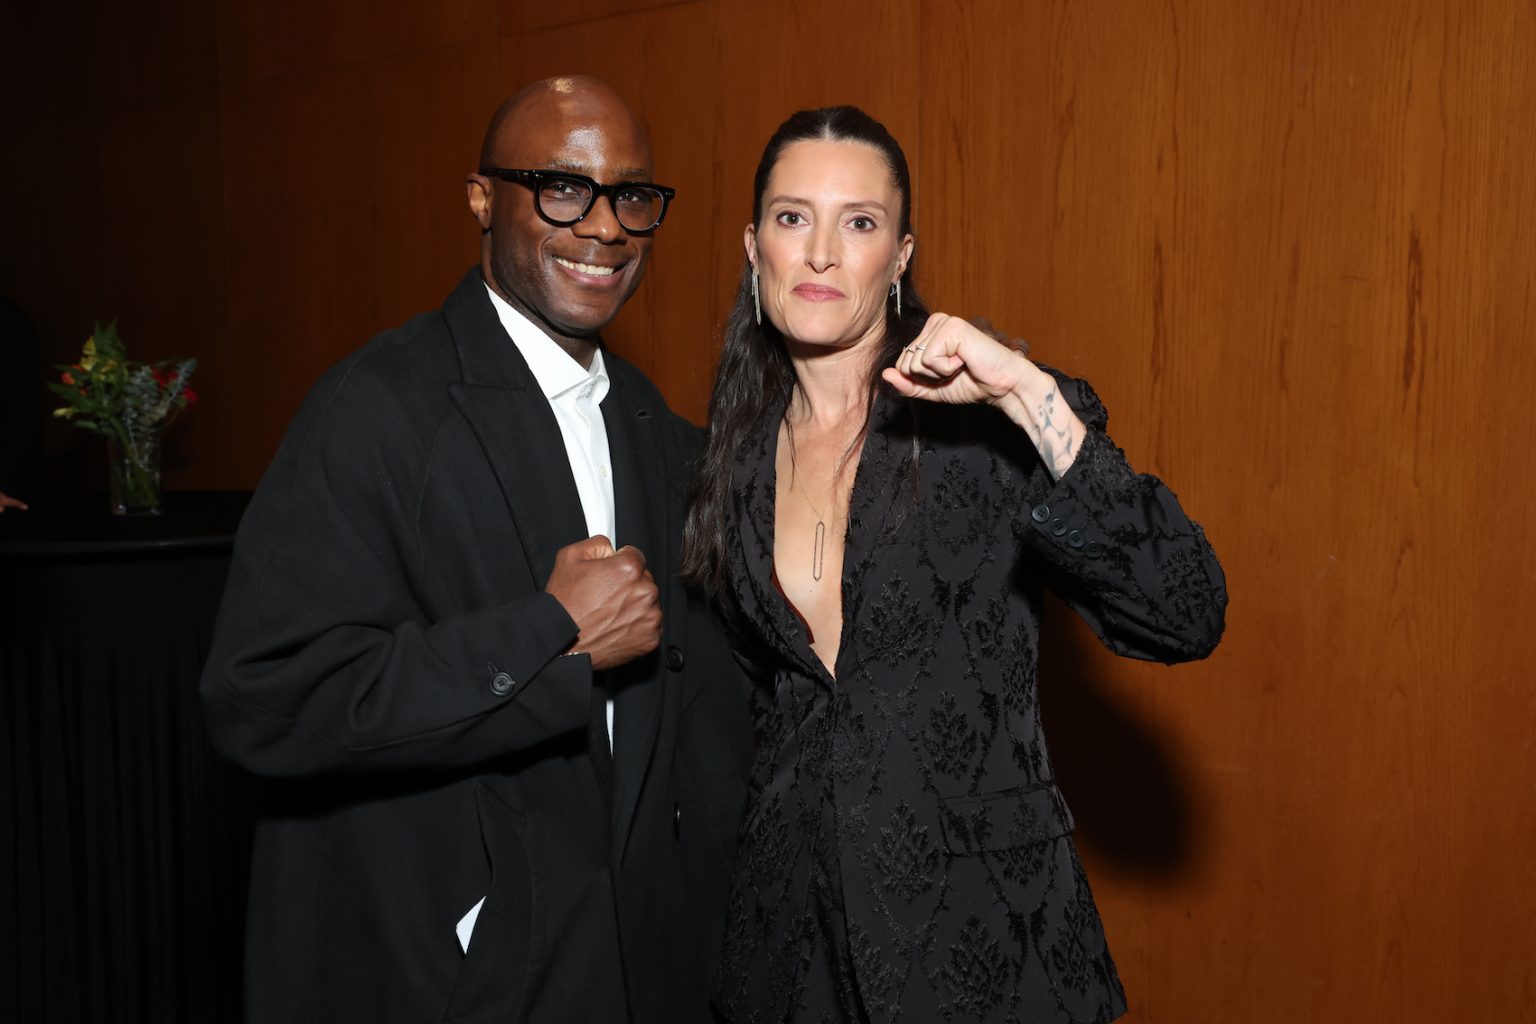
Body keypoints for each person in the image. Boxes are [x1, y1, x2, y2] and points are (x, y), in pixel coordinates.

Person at [201, 76, 750, 1023]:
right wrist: (549, 636)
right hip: (456, 985)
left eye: (631, 196)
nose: (605, 228)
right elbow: (265, 698)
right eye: (563, 189)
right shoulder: (373, 410)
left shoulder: (658, 432)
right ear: (481, 197)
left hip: (629, 975)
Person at [681, 106, 1228, 1023]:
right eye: (791, 217)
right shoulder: (731, 461)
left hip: (991, 957)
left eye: (858, 223)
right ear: (752, 245)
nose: (820, 252)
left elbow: (1184, 609)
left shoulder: (985, 423)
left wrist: (1026, 393)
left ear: (899, 257)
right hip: (791, 957)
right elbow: (766, 716)